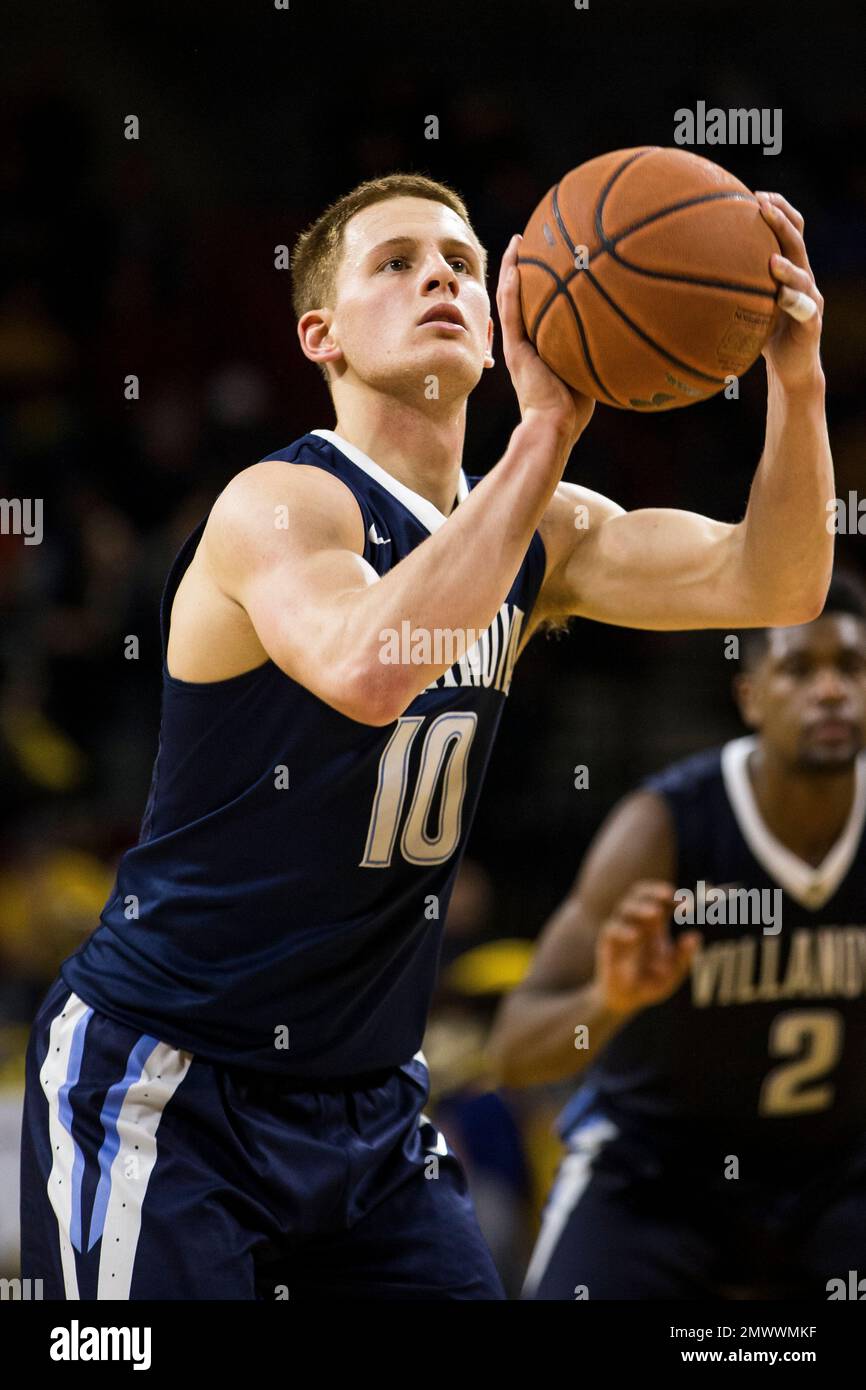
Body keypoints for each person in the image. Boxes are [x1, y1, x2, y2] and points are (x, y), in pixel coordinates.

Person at [21, 170, 830, 1299]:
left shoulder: (540, 527)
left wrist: (794, 379)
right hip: (171, 1076)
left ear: (503, 322)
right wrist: (544, 434)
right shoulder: (280, 505)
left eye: (457, 260)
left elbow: (776, 579)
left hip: (374, 1106)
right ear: (322, 334)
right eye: (393, 263)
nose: (436, 277)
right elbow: (367, 666)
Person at [489, 572, 866, 1299]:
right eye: (799, 669)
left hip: (839, 1178)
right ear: (750, 698)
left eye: (850, 667)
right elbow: (512, 1050)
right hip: (658, 1177)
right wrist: (610, 997)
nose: (829, 691)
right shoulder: (661, 829)